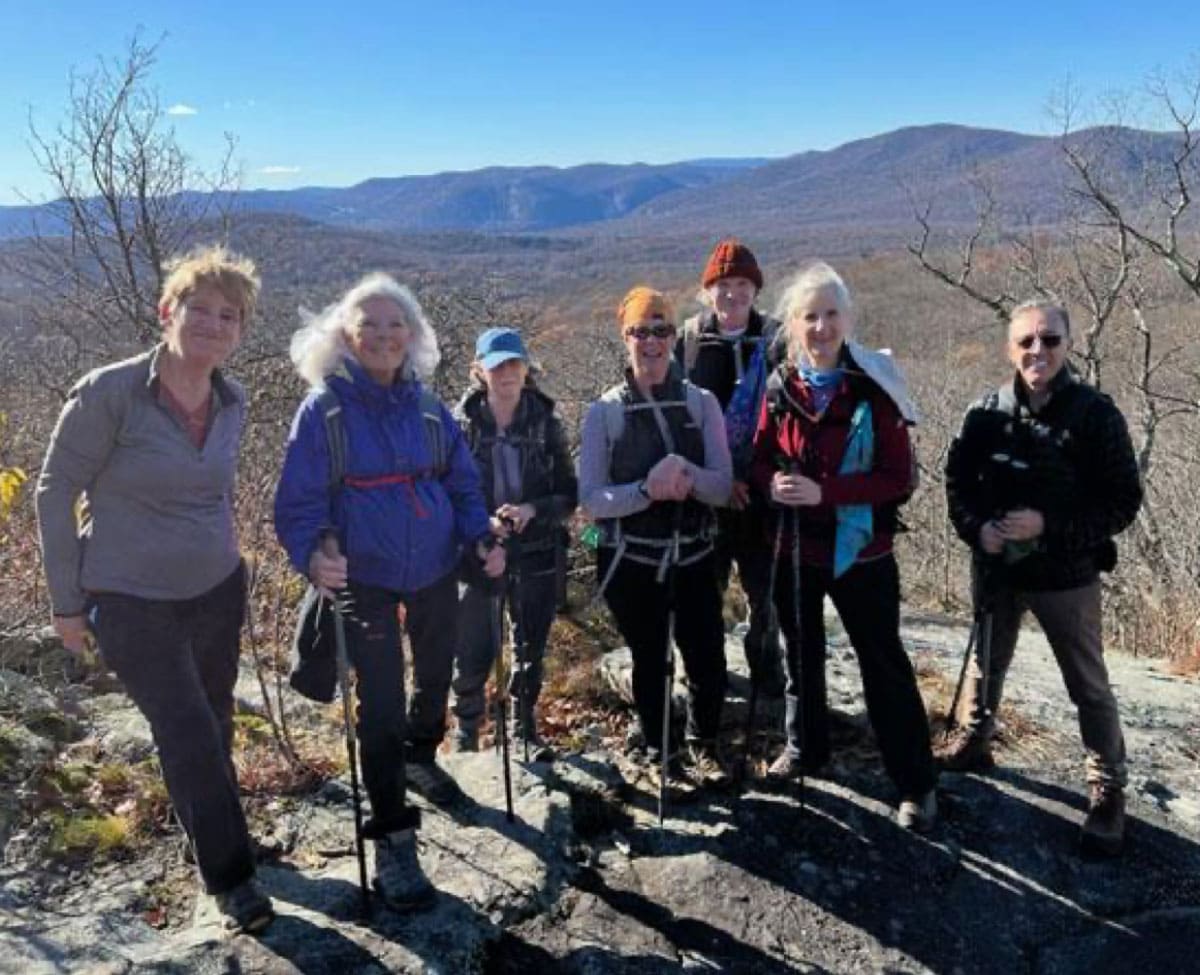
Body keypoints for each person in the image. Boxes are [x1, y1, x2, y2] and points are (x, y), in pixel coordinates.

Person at [35, 245, 274, 933]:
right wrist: (65, 601)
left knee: (215, 720)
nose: (214, 323)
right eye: (200, 308)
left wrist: (236, 562)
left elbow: (216, 490)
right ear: (167, 311)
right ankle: (231, 879)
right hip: (129, 594)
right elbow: (54, 492)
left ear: (240, 330)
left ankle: (210, 832)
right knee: (188, 727)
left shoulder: (233, 399)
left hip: (215, 587)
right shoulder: (109, 393)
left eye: (229, 315)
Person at [274, 272, 504, 909]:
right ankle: (394, 842)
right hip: (363, 577)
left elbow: (461, 485)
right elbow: (297, 502)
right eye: (368, 324)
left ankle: (421, 754)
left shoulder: (430, 410)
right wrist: (314, 552)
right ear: (345, 335)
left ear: (412, 336)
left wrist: (480, 536)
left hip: (432, 566)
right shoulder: (325, 410)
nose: (381, 335)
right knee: (378, 704)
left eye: (394, 324)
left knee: (436, 671)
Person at [939, 300, 1142, 855]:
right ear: (1010, 348)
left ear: (1067, 346)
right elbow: (955, 482)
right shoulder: (985, 413)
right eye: (1026, 340)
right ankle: (977, 740)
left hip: (1067, 573)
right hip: (997, 568)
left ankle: (1107, 788)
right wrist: (977, 530)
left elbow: (1124, 500)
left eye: (1050, 340)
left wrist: (1049, 527)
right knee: (987, 661)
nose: (1038, 350)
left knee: (1088, 684)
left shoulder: (1095, 414)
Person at [750, 261, 936, 831]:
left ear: (848, 319)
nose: (822, 327)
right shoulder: (782, 386)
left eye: (832, 314)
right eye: (810, 316)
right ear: (792, 324)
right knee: (801, 659)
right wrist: (770, 484)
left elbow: (896, 478)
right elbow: (758, 458)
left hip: (863, 553)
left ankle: (914, 783)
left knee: (883, 664)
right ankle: (808, 748)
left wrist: (823, 492)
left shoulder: (874, 388)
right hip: (796, 551)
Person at [579, 285, 734, 788]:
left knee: (707, 657)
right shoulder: (605, 412)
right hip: (632, 560)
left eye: (662, 329)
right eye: (640, 331)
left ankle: (703, 746)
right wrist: (649, 489)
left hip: (693, 556)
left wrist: (684, 472)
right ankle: (659, 752)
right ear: (624, 337)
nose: (652, 341)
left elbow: (721, 486)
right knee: (651, 661)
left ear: (674, 335)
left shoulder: (701, 403)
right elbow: (594, 500)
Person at [450, 327, 577, 758]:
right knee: (471, 646)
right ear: (478, 371)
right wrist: (480, 525)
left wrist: (532, 511)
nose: (506, 372)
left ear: (526, 368)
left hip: (538, 550)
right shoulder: (457, 427)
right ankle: (468, 729)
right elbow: (442, 492)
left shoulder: (546, 424)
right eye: (497, 364)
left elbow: (568, 493)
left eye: (514, 363)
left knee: (530, 647)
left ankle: (523, 727)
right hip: (477, 553)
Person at [675, 238, 785, 695]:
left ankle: (767, 677)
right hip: (706, 497)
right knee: (704, 595)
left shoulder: (779, 339)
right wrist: (717, 481)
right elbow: (678, 420)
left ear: (755, 289)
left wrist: (755, 477)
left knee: (767, 596)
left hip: (763, 496)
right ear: (708, 290)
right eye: (722, 285)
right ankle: (708, 678)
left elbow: (790, 418)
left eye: (742, 284)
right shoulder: (690, 342)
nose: (732, 294)